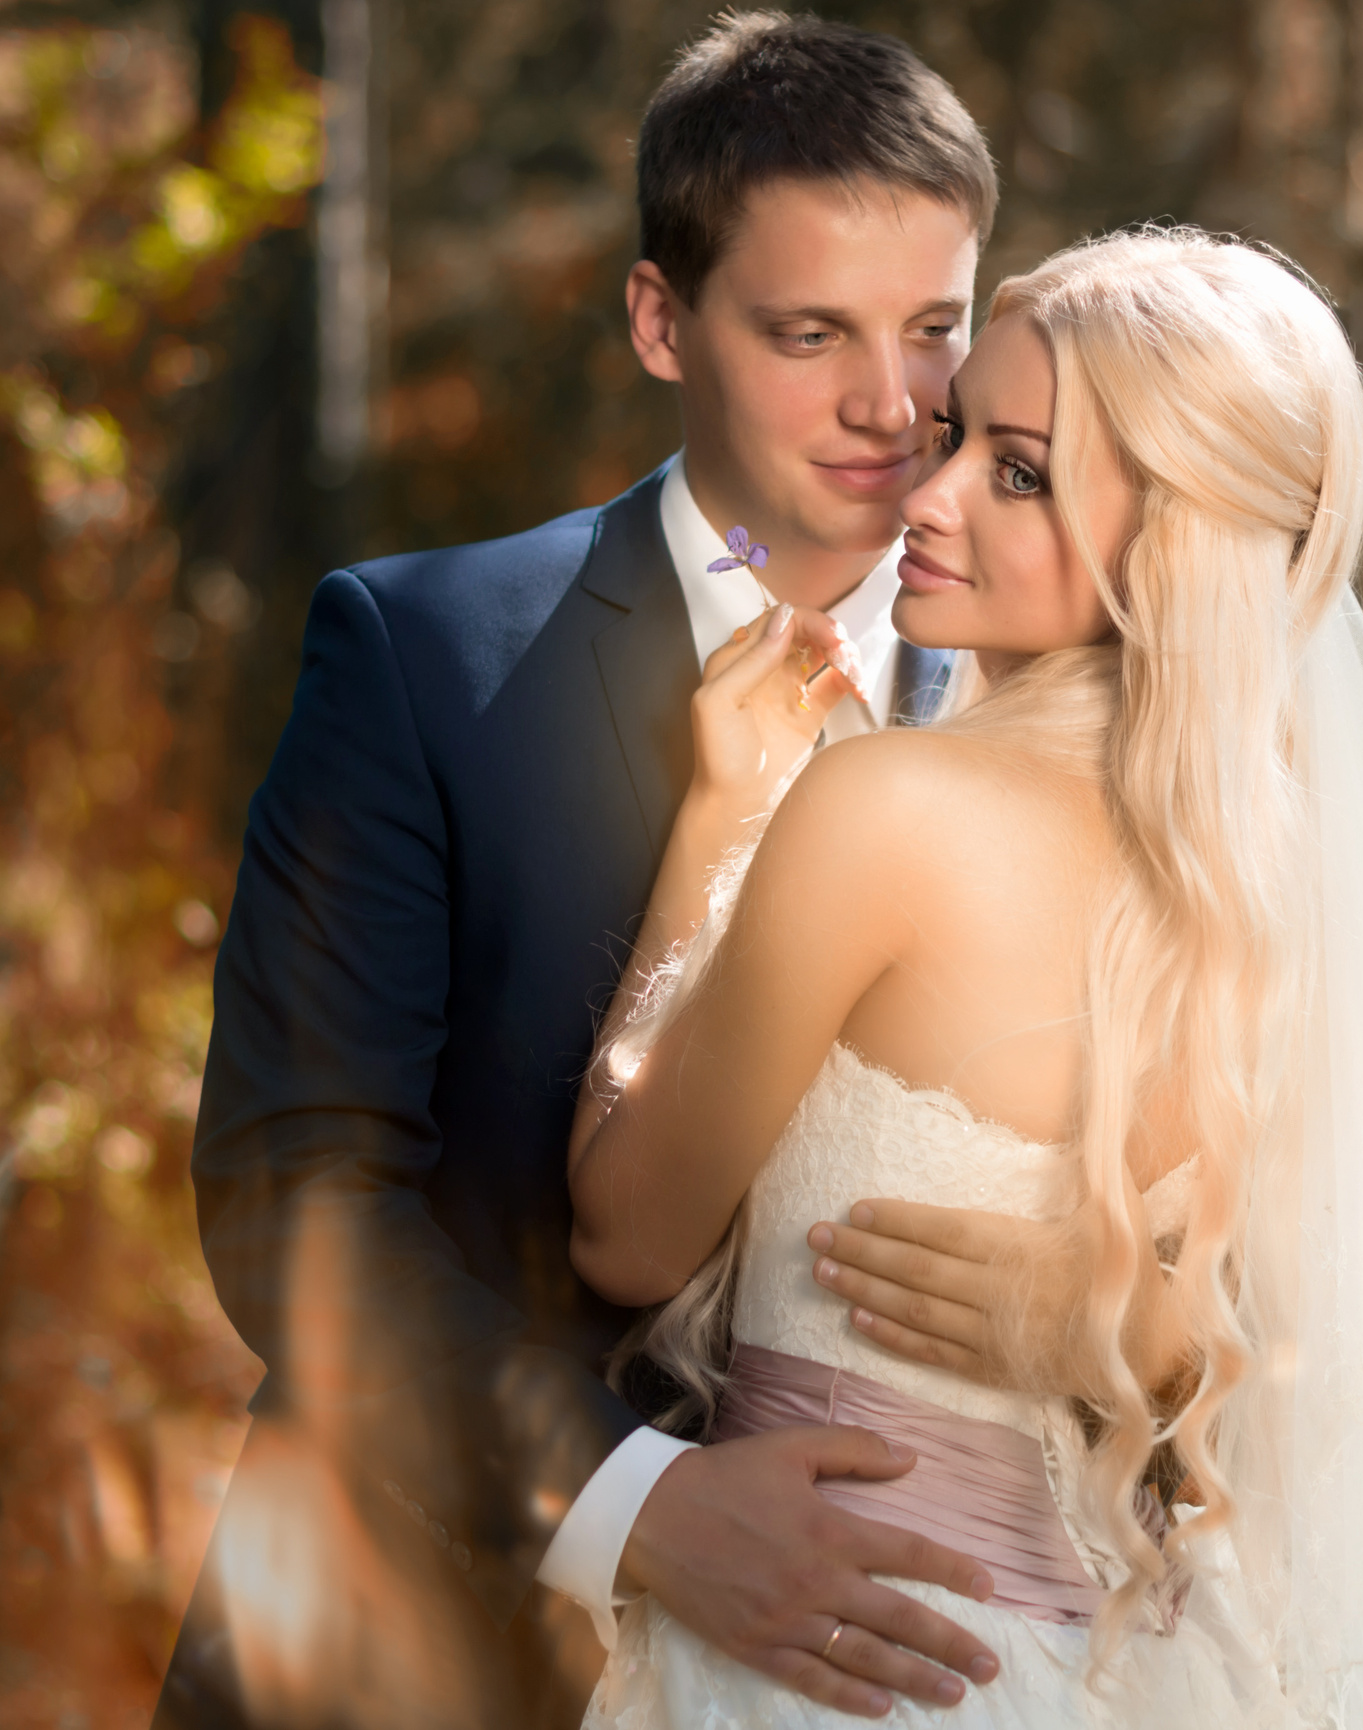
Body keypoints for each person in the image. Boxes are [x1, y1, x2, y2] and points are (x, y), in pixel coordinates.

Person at [567, 227, 1363, 1728]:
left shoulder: (880, 812)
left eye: (1021, 472)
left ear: (1170, 539)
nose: (934, 491)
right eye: (961, 433)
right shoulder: (1281, 897)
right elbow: (1362, 1361)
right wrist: (1140, 1324)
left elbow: (627, 1235)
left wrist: (716, 823)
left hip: (838, 1664)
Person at [159, 18, 1028, 1728]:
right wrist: (636, 1506)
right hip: (406, 1653)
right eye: (808, 333)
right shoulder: (424, 660)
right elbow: (295, 1203)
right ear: (658, 320)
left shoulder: (1054, 708)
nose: (892, 405)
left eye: (935, 329)